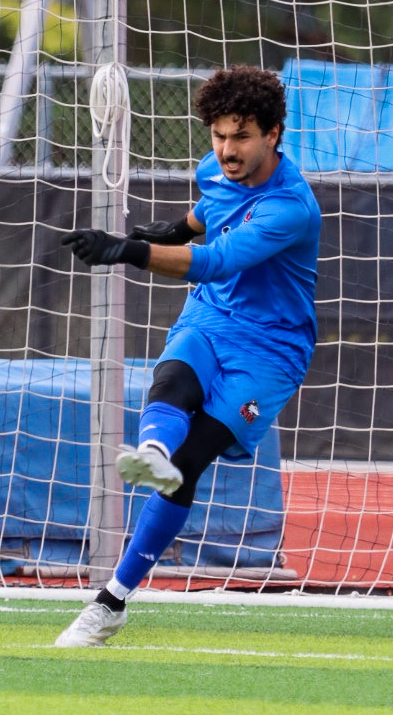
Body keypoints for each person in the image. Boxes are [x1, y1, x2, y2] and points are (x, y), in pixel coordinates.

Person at [55, 64, 321, 648]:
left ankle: (114, 599)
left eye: (242, 137)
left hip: (270, 349)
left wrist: (130, 249)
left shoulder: (291, 208)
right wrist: (176, 227)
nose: (228, 149)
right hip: (211, 316)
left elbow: (218, 260)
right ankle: (150, 451)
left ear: (273, 134)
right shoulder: (216, 167)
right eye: (220, 135)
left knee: (191, 461)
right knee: (171, 382)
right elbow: (209, 211)